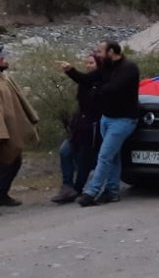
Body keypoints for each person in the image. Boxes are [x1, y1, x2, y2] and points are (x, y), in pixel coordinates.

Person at [64, 40, 138, 207]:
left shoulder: (128, 68)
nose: (97, 54)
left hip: (123, 120)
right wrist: (71, 71)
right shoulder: (106, 68)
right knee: (113, 156)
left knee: (104, 156)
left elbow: (113, 89)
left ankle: (91, 192)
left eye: (100, 51)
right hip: (107, 118)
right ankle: (112, 191)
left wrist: (95, 92)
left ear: (111, 52)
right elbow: (87, 79)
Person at [50, 52, 101, 204]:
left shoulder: (103, 82)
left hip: (92, 127)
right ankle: (67, 185)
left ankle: (77, 189)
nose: (88, 66)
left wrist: (71, 70)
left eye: (91, 63)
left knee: (84, 158)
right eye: (87, 63)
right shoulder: (85, 81)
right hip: (79, 126)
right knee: (65, 151)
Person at [0, 46, 39, 209]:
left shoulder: (5, 78)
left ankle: (2, 195)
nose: (5, 59)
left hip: (11, 129)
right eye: (2, 57)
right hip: (2, 132)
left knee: (14, 161)